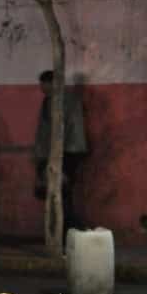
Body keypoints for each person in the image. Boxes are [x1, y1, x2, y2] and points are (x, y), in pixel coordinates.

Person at [32, 69, 89, 229]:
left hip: (64, 151)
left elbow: (57, 130)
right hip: (73, 150)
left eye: (43, 84)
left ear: (52, 84)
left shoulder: (56, 101)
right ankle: (68, 230)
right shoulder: (69, 99)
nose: (41, 88)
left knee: (61, 193)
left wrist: (48, 155)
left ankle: (68, 230)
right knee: (65, 193)